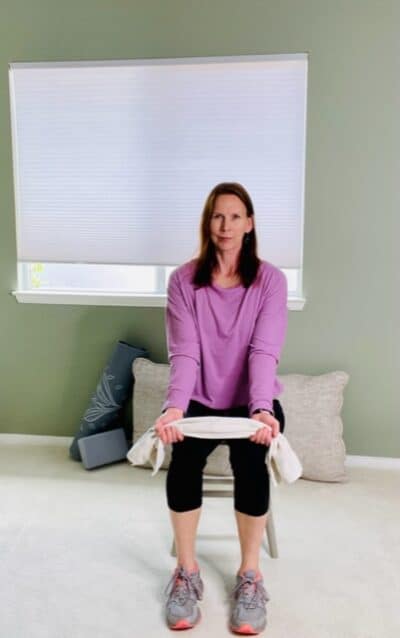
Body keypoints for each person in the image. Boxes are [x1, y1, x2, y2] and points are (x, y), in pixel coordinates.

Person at [155, 182, 288, 634]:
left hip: (254, 399)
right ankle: (186, 573)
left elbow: (263, 351)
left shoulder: (270, 280)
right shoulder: (183, 281)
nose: (226, 225)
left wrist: (262, 409)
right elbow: (186, 353)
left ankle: (250, 575)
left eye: (235, 216)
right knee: (183, 461)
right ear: (207, 224)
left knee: (251, 461)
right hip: (197, 396)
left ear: (249, 224)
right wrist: (175, 408)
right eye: (217, 216)